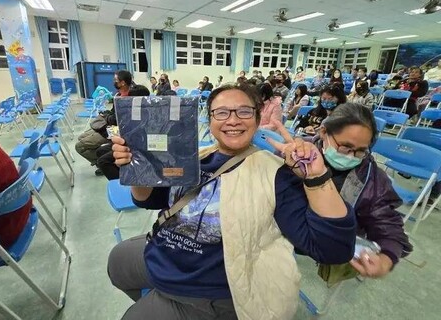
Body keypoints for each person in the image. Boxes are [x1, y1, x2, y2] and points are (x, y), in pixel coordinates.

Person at [108, 83, 356, 319]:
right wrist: (135, 168)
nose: (233, 120)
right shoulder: (196, 156)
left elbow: (332, 249)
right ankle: (160, 297)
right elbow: (148, 199)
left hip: (208, 290)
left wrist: (316, 176)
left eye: (244, 111)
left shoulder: (276, 175)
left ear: (258, 119)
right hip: (166, 253)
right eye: (222, 112)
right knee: (117, 263)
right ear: (210, 120)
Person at [297, 104, 412, 278]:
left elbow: (389, 228)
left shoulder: (372, 180)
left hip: (324, 242)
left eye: (360, 151)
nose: (351, 156)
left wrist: (385, 260)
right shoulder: (299, 151)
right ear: (324, 132)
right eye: (345, 147)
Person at [75, 70, 133, 171]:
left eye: (115, 80)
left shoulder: (129, 97)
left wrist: (108, 118)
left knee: (80, 146)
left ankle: (101, 164)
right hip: (110, 125)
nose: (114, 82)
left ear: (123, 82)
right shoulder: (119, 95)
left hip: (117, 130)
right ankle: (102, 162)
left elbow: (117, 119)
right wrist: (107, 116)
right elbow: (113, 113)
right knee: (81, 137)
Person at [96, 85, 151, 179]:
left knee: (103, 161)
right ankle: (116, 171)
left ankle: (122, 182)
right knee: (100, 151)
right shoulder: (126, 107)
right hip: (126, 138)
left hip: (136, 146)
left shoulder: (145, 113)